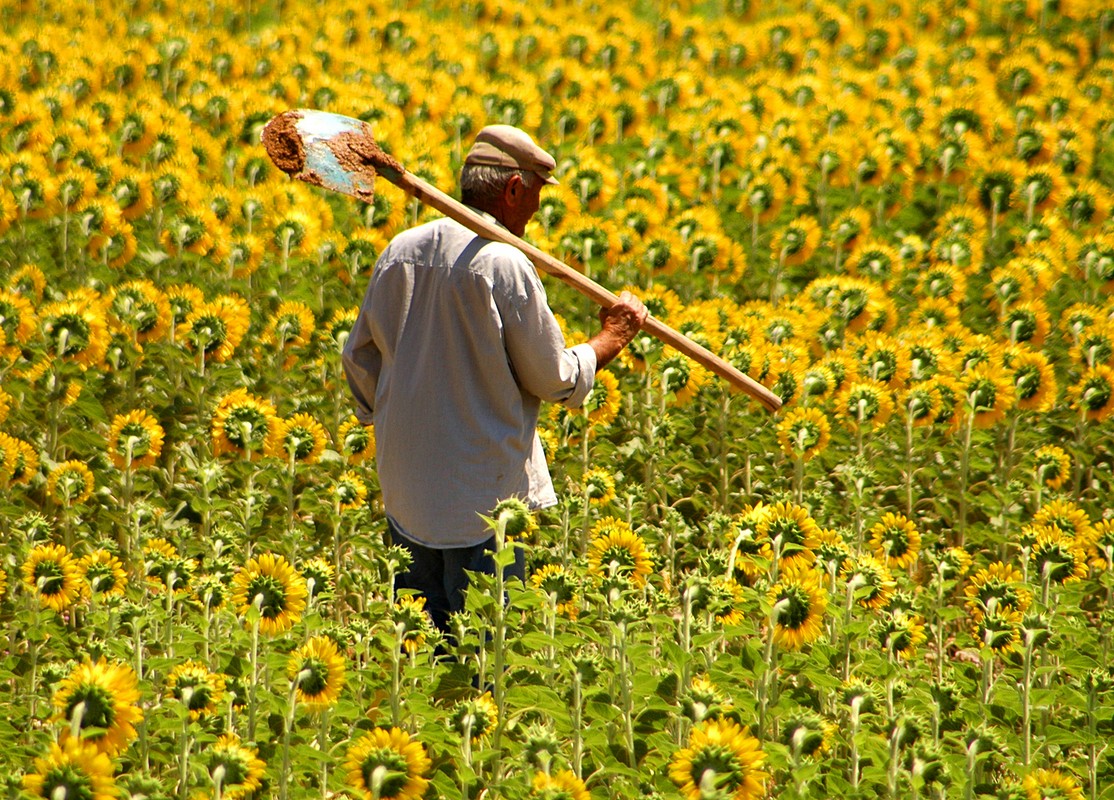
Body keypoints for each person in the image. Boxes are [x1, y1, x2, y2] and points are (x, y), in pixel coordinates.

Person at [342, 124, 647, 633]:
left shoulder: (401, 249)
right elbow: (554, 380)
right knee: (486, 655)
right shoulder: (503, 263)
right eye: (533, 198)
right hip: (483, 507)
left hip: (407, 494)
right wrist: (609, 339)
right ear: (511, 190)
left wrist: (404, 420)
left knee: (417, 653)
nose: (533, 213)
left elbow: (359, 362)